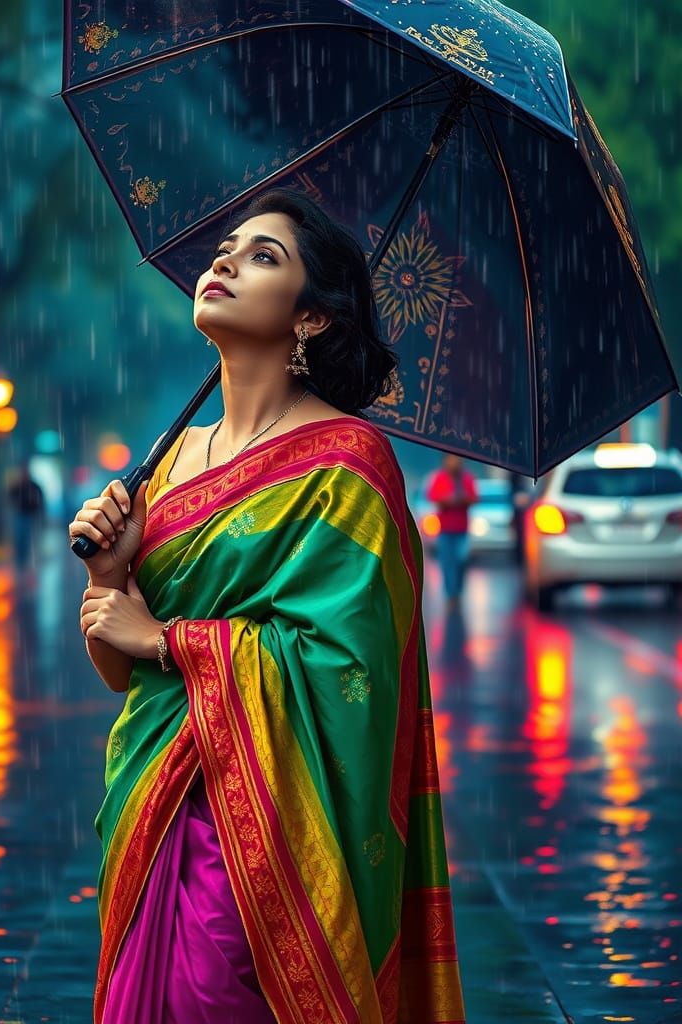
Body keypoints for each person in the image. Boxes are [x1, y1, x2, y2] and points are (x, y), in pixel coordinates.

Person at [69, 188, 466, 1024]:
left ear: (311, 320)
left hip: (267, 834)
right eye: (227, 247)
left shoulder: (349, 464)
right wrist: (108, 577)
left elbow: (348, 673)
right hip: (149, 809)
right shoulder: (173, 461)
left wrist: (166, 638)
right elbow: (119, 668)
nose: (224, 262)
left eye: (262, 256)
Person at [425, 454, 478, 608]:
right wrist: (448, 500)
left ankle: (458, 591)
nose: (455, 462)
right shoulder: (440, 478)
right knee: (447, 563)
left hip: (462, 529)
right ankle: (451, 594)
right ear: (445, 461)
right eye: (451, 459)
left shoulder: (467, 478)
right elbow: (433, 497)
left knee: (461, 560)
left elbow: (474, 497)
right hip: (445, 529)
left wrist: (462, 500)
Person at [7, 462, 45, 567]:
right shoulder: (17, 486)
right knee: (20, 538)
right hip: (20, 515)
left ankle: (25, 560)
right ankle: (20, 560)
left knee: (27, 538)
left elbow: (40, 499)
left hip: (30, 516)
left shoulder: (33, 486)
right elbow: (10, 497)